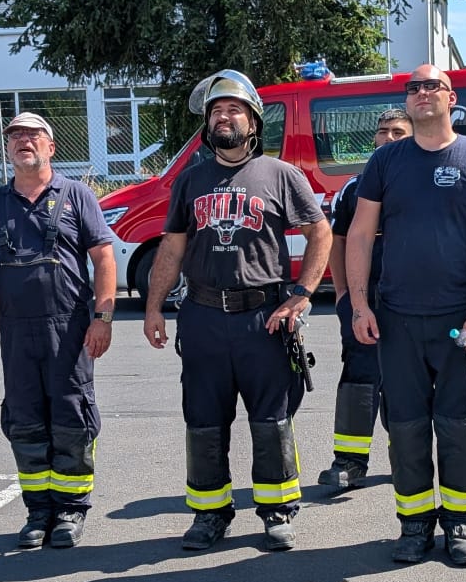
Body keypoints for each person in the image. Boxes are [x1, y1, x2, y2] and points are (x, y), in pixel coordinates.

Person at [143, 70, 333, 553]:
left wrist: (303, 293)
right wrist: (153, 306)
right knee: (203, 420)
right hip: (203, 316)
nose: (224, 117)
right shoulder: (190, 182)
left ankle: (277, 511)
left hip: (263, 317)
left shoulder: (281, 175)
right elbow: (171, 248)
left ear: (253, 122)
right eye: (216, 111)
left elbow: (320, 232)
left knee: (271, 421)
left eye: (234, 110)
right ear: (207, 124)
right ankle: (209, 515)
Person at [348, 64, 466, 567]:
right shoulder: (385, 160)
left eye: (431, 87)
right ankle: (415, 524)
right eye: (414, 88)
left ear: (450, 97)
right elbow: (359, 235)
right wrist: (359, 305)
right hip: (396, 319)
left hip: (458, 321)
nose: (422, 94)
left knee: (459, 425)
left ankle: (462, 524)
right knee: (407, 426)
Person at [0, 111, 118, 549]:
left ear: (51, 147)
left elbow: (104, 258)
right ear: (8, 149)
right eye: (15, 136)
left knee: (71, 418)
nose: (23, 141)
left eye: (33, 135)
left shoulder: (76, 195)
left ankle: (71, 510)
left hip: (69, 330)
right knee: (26, 420)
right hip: (16, 333)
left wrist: (103, 318)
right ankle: (38, 510)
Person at [318, 105, 413, 492]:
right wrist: (344, 296)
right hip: (365, 301)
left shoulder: (421, 182)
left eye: (398, 133)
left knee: (408, 381)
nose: (387, 138)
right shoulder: (354, 188)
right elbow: (336, 242)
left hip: (412, 303)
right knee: (359, 377)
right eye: (383, 131)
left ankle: (406, 456)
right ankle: (350, 462)